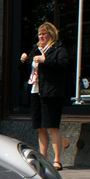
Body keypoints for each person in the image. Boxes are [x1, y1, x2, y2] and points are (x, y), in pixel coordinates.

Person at [20, 22, 68, 171]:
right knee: (40, 127)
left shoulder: (58, 49)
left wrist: (45, 60)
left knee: (52, 125)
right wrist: (22, 60)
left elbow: (63, 65)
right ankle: (43, 158)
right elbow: (25, 69)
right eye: (39, 34)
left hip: (51, 93)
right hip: (35, 91)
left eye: (44, 34)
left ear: (51, 35)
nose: (41, 36)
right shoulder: (36, 49)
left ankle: (57, 160)